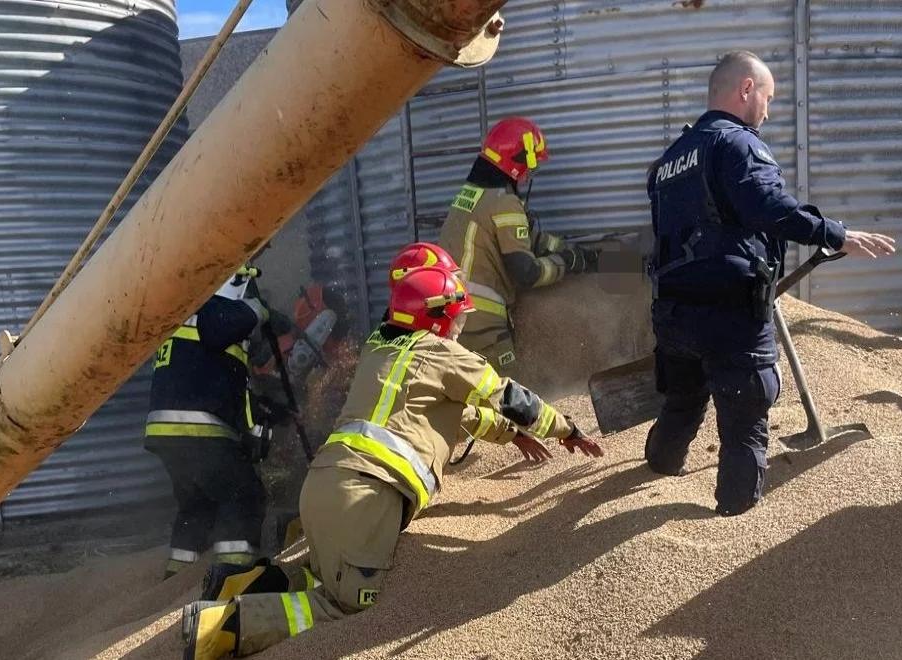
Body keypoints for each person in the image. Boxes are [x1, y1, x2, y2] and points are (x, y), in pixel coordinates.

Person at [181, 265, 604, 660]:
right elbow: (509, 395)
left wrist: (512, 435)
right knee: (344, 604)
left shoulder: (385, 350)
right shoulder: (443, 353)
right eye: (457, 318)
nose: (460, 328)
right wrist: (566, 428)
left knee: (324, 576)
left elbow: (462, 416)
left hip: (326, 486)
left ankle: (237, 585)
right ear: (438, 318)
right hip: (364, 498)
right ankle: (220, 629)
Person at [644, 50, 896, 516]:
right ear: (745, 89)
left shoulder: (669, 161)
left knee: (683, 400)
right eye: (768, 96)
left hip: (673, 314)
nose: (768, 109)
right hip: (730, 316)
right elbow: (770, 208)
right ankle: (734, 522)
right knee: (744, 424)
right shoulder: (737, 144)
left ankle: (658, 467)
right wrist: (839, 235)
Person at [438, 117, 598, 370]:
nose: (527, 177)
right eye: (529, 168)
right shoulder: (505, 202)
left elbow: (521, 239)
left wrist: (567, 248)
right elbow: (527, 272)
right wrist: (566, 262)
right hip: (480, 322)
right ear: (518, 161)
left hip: (450, 314)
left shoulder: (471, 194)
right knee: (506, 396)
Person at [144, 266, 272, 578]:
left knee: (196, 505)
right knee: (243, 495)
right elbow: (222, 329)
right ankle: (232, 575)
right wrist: (258, 311)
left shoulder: (181, 309)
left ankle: (176, 575)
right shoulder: (215, 311)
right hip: (199, 427)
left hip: (165, 430)